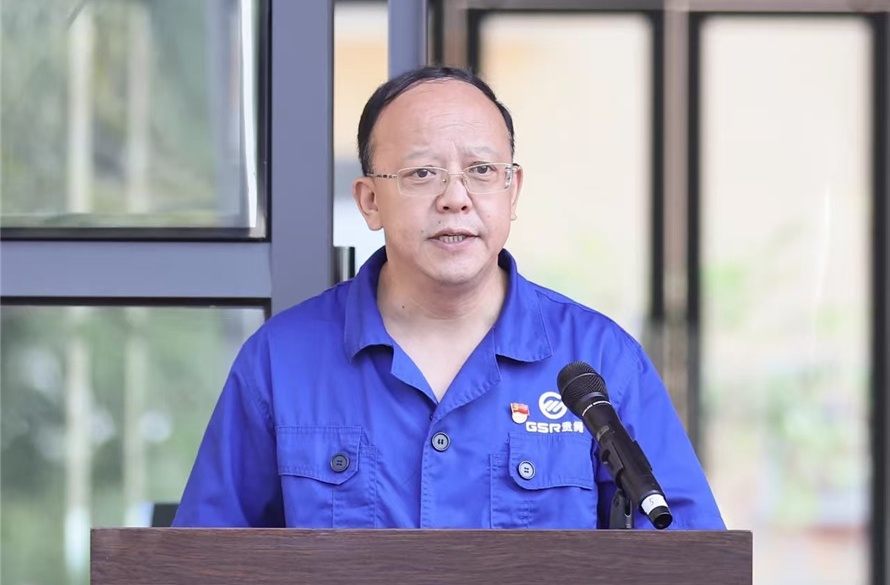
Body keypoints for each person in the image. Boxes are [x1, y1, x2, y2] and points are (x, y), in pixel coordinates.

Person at [172, 65, 725, 530]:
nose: (455, 198)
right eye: (422, 173)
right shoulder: (280, 361)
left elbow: (688, 556)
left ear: (513, 191)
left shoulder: (599, 361)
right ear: (369, 201)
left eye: (481, 171)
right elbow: (203, 562)